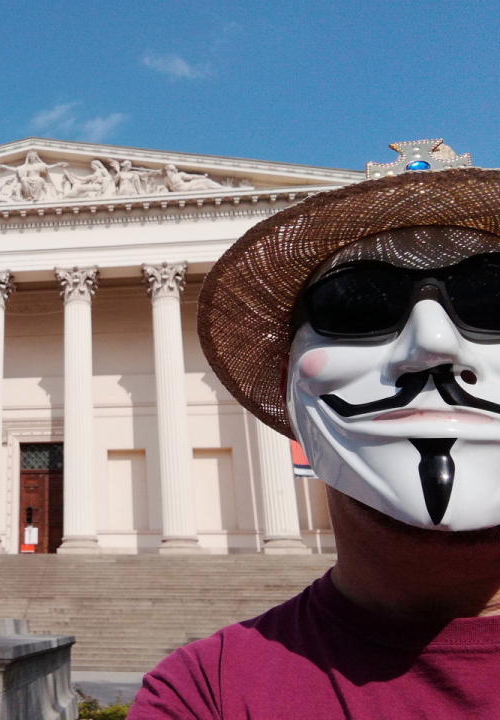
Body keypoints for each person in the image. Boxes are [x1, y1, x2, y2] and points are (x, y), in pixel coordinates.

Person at [130, 161, 500, 717]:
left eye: (493, 301)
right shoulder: (206, 692)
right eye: (357, 306)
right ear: (287, 381)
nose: (432, 344)